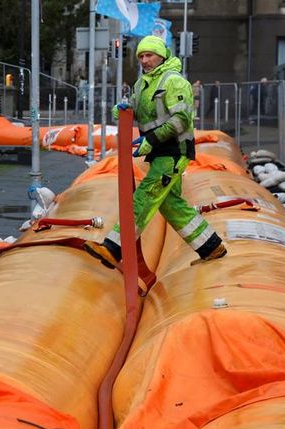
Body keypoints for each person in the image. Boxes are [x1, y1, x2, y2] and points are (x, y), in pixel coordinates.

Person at [84, 35, 226, 269]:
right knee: (170, 204)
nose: (144, 60)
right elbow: (139, 111)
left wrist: (151, 139)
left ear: (161, 55)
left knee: (146, 196)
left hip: (174, 150)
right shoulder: (142, 85)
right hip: (159, 151)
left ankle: (113, 248)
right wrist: (125, 110)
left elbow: (181, 119)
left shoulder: (174, 81)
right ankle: (211, 247)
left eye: (149, 55)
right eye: (141, 56)